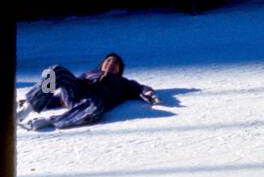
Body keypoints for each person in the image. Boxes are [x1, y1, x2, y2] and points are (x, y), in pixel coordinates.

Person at [17, 53, 159, 130]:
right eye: (108, 60)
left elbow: (140, 88)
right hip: (77, 93)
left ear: (119, 69)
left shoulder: (124, 82)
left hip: (93, 102)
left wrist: (149, 94)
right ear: (102, 63)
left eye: (115, 63)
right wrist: (49, 102)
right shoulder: (89, 74)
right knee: (55, 70)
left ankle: (47, 122)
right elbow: (68, 88)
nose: (111, 64)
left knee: (96, 106)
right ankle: (27, 109)